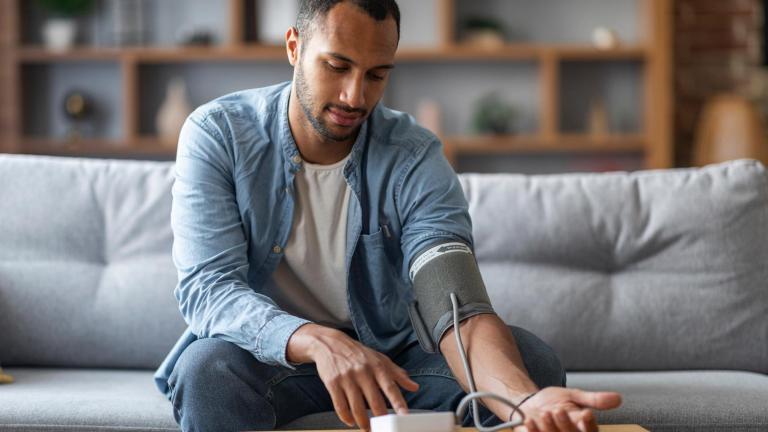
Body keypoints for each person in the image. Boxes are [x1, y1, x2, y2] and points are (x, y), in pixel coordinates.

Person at [154, 1, 623, 431]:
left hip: (389, 360)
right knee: (207, 372)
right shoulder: (218, 134)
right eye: (337, 66)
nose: (355, 97)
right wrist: (318, 342)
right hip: (272, 357)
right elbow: (209, 289)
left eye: (376, 75)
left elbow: (453, 303)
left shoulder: (414, 156)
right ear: (294, 46)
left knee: (532, 365)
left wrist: (523, 401)